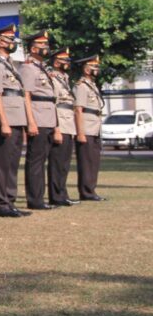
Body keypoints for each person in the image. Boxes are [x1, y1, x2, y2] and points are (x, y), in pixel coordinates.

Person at [0, 24, 33, 218]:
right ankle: (0, 203)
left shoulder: (11, 64)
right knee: (1, 164)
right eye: (10, 40)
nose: (13, 43)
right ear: (0, 42)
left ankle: (10, 202)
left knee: (12, 163)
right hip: (2, 121)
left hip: (16, 118)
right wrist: (3, 122)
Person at [19, 30, 60, 210]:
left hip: (49, 118)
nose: (46, 48)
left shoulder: (43, 68)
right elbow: (26, 95)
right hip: (38, 117)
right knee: (35, 160)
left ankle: (41, 197)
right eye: (42, 45)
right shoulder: (28, 67)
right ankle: (35, 200)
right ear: (33, 48)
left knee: (43, 160)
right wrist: (31, 121)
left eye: (46, 45)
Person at [73, 55, 107, 202]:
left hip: (95, 128)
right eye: (94, 67)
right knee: (86, 162)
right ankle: (86, 192)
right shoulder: (81, 86)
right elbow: (78, 110)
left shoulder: (92, 85)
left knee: (94, 161)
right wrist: (80, 132)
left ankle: (91, 190)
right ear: (86, 69)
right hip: (86, 128)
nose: (96, 70)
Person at [48, 48, 79, 207]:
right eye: (63, 59)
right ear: (55, 61)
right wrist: (56, 128)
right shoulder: (52, 78)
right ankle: (56, 196)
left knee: (65, 163)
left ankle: (62, 193)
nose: (67, 63)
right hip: (60, 122)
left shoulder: (64, 78)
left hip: (68, 123)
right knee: (57, 162)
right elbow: (53, 103)